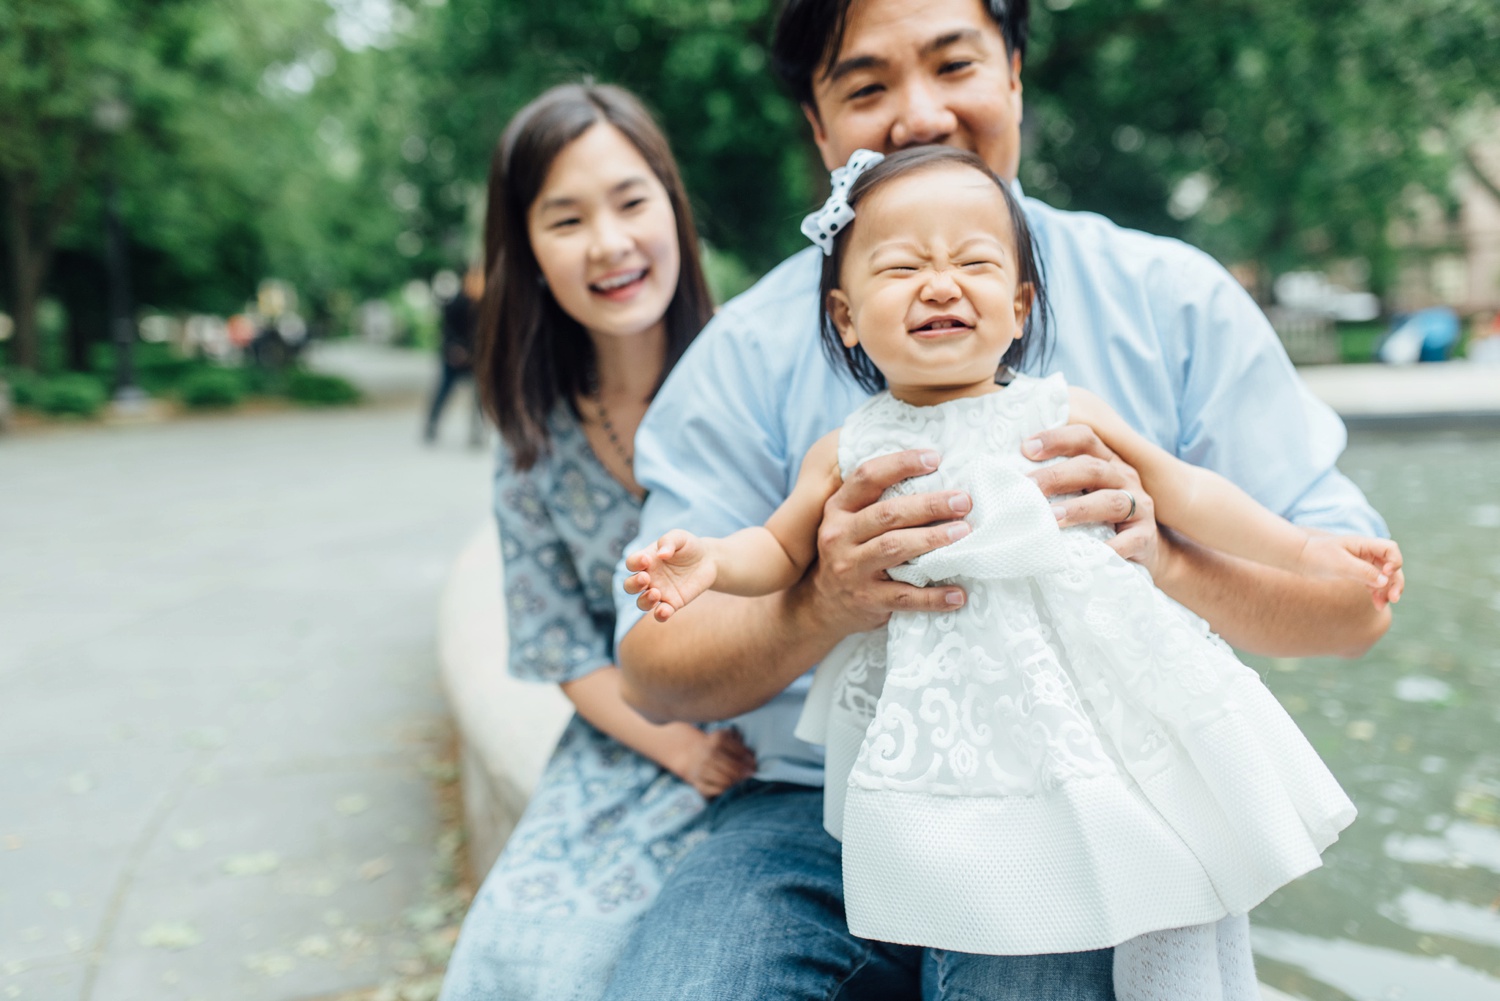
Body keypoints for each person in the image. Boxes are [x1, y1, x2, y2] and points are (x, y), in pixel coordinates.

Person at [604, 1, 1394, 998]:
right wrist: (822, 601)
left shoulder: (1168, 302)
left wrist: (1165, 555)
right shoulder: (757, 363)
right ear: (817, 122)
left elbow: (1353, 602)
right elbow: (656, 667)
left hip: (1074, 775)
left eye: (953, 64)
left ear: (1015, 71)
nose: (919, 114)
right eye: (867, 85)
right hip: (808, 802)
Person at [438, 83, 754, 1001]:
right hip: (628, 742)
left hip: (772, 732)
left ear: (672, 208)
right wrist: (681, 751)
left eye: (630, 201)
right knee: (512, 955)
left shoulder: (754, 369)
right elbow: (559, 642)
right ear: (528, 250)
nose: (609, 244)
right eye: (566, 218)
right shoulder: (530, 433)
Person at [424, 265, 486, 446]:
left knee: (480, 397)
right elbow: (446, 330)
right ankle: (432, 424)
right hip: (454, 357)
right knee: (444, 391)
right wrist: (454, 348)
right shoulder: (455, 303)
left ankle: (476, 432)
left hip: (476, 359)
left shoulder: (485, 306)